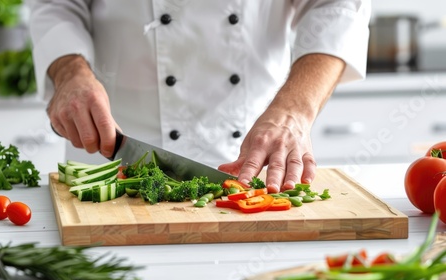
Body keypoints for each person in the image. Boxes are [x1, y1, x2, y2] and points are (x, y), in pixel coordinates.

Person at [29, 0, 371, 193]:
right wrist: (69, 72)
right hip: (113, 155)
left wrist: (295, 110)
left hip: (252, 157)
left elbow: (338, 6)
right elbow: (54, 5)